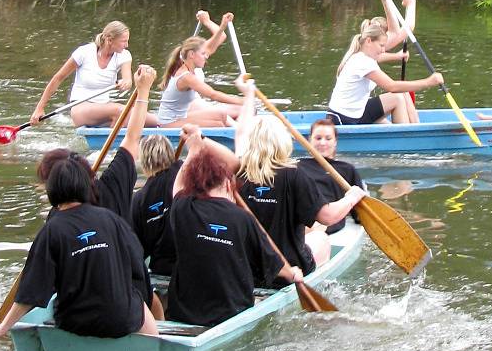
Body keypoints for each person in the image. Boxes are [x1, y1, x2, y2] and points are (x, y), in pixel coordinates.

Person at [0, 154, 158, 345]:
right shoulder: (111, 219)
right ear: (85, 185)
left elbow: (31, 291)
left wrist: (3, 327)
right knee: (138, 303)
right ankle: (155, 348)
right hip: (121, 320)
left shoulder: (51, 230)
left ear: (51, 189)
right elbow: (137, 263)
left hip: (76, 323)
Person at [35, 64, 164, 320]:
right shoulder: (112, 183)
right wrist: (143, 92)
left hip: (79, 297)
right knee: (153, 302)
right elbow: (132, 138)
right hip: (126, 285)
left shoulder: (56, 217)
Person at [166, 125, 302, 326]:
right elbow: (272, 263)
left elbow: (177, 186)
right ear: (229, 184)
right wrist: (293, 274)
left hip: (184, 313)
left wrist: (193, 151)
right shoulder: (242, 218)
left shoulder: (183, 208)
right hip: (231, 313)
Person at [236, 80, 367, 280]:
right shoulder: (294, 174)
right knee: (321, 238)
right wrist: (352, 197)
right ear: (281, 141)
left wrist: (249, 95)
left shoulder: (240, 171)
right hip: (289, 268)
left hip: (248, 267)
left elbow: (241, 132)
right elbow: (328, 217)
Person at [30, 20, 157, 129]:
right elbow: (58, 78)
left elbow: (128, 80)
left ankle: (169, 128)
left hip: (104, 107)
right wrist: (39, 108)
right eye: (124, 41)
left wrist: (126, 83)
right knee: (120, 110)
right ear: (109, 40)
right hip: (80, 107)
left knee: (150, 118)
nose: (127, 45)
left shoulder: (124, 55)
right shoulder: (84, 52)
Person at [327, 19, 443, 126]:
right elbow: (391, 86)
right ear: (368, 41)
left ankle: (411, 130)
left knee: (400, 96)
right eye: (381, 45)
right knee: (397, 97)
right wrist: (428, 82)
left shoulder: (362, 55)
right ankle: (405, 139)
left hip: (355, 113)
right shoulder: (362, 61)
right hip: (342, 120)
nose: (383, 50)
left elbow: (380, 57)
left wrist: (398, 56)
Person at [157, 11, 244, 128]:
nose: (207, 56)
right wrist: (244, 101)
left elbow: (221, 36)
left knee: (220, 120)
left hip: (180, 117)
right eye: (203, 53)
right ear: (192, 54)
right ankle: (241, 135)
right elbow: (213, 95)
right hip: (168, 123)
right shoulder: (186, 76)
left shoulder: (190, 64)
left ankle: (241, 132)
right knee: (220, 118)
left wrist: (221, 25)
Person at [297, 118, 366, 234]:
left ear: (335, 142)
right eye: (318, 138)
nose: (322, 143)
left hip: (328, 221)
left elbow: (359, 214)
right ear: (309, 140)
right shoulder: (297, 166)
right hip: (302, 218)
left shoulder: (347, 169)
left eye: (328, 138)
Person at [130, 134, 183, 275]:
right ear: (171, 154)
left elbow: (136, 251)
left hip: (163, 269)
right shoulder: (188, 175)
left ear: (144, 162)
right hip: (194, 263)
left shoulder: (139, 199)